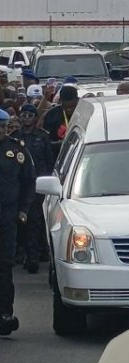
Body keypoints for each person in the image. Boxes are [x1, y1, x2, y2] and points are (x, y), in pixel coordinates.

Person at [0, 108, 36, 335]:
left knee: (4, 265)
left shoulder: (16, 150)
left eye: (3, 127)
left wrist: (24, 209)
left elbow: (28, 181)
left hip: (7, 216)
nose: (1, 130)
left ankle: (5, 313)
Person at [13, 104, 53, 274]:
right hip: (19, 185)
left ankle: (33, 257)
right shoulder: (15, 137)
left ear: (36, 118)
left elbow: (49, 161)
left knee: (35, 221)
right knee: (20, 221)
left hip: (38, 185)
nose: (27, 118)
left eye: (30, 115)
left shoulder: (42, 137)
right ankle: (23, 253)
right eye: (24, 115)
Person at [42, 85, 79, 157]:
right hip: (57, 156)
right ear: (60, 101)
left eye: (72, 106)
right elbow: (46, 142)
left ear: (77, 100)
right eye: (66, 107)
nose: (69, 110)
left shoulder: (83, 113)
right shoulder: (52, 115)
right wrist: (61, 143)